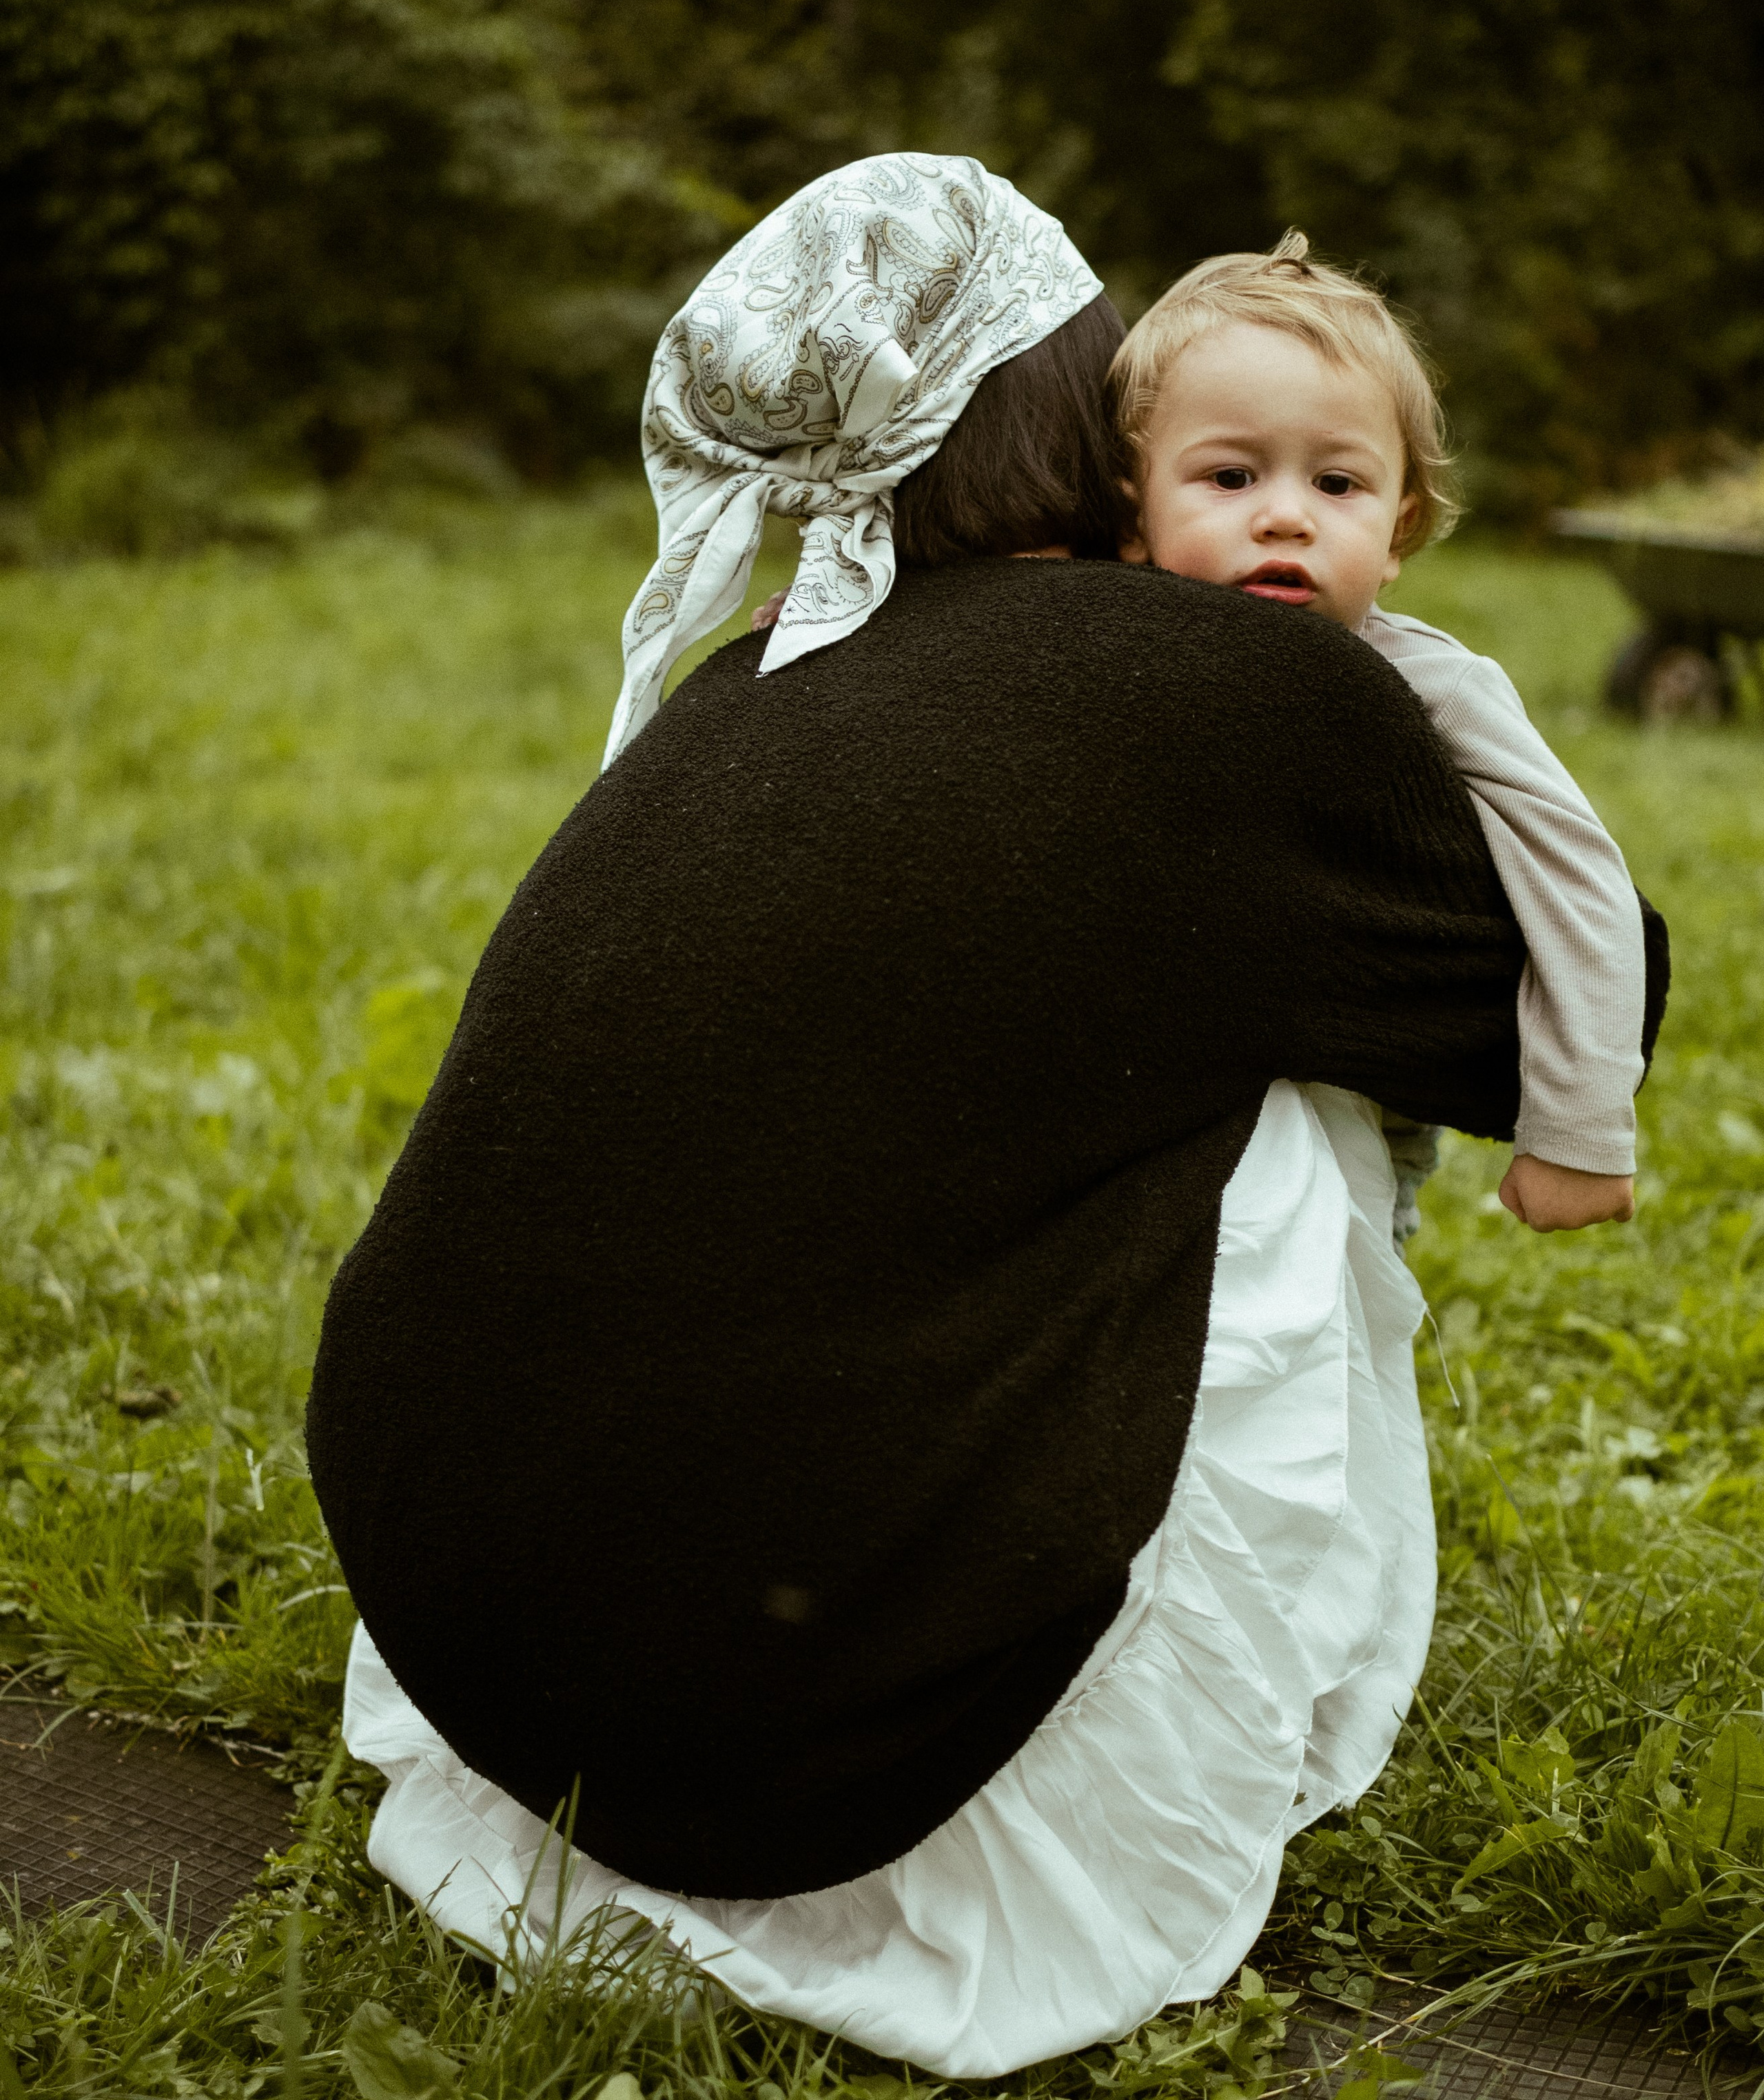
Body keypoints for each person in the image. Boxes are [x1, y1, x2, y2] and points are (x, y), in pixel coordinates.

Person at [309, 156, 1668, 2077]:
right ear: (1083, 426)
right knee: (1286, 1103)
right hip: (800, 1702)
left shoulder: (744, 679)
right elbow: (1559, 1008)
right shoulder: (1239, 697)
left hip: (477, 1616)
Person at [1107, 233, 1657, 1247]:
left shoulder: (1430, 682)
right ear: (1132, 511)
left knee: (1328, 1317)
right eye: (1230, 478)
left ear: (1399, 532)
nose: (1285, 517)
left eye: (1338, 486)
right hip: (1142, 1100)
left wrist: (1580, 1127)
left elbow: (1579, 875)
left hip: (1348, 1104)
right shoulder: (1092, 635)